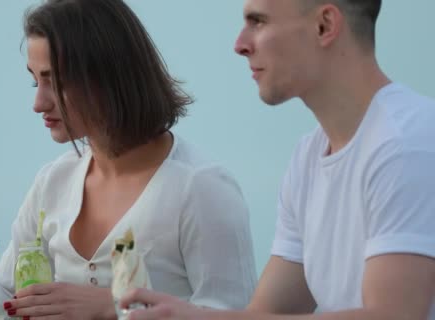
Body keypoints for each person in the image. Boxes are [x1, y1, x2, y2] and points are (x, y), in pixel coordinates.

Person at [0, 0, 257, 319]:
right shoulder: (53, 182)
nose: (38, 103)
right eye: (36, 81)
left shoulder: (200, 187)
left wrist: (116, 308)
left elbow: (234, 313)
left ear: (109, 74)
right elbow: (9, 297)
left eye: (56, 82)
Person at [121, 0, 435, 319]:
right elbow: (267, 312)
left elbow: (395, 315)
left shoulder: (407, 145)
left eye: (258, 22)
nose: (240, 45)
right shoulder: (308, 157)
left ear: (324, 25)